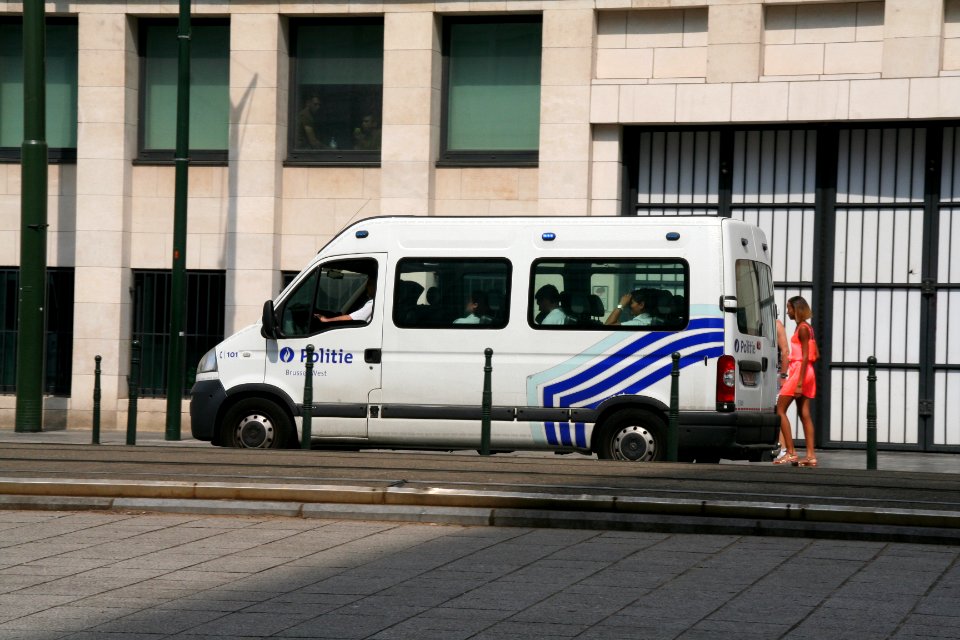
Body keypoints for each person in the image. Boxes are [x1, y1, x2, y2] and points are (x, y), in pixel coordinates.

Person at [773, 295, 818, 467]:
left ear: (796, 309)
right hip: (807, 372)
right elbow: (816, 354)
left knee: (780, 409)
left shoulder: (802, 329)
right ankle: (810, 456)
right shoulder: (807, 328)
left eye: (789, 308)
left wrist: (798, 382)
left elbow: (806, 356)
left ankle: (791, 452)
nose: (787, 311)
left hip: (799, 372)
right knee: (804, 414)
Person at [772, 317, 790, 458]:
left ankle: (784, 449)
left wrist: (783, 376)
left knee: (779, 411)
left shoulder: (777, 325)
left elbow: (785, 351)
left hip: (777, 376)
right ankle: (781, 448)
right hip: (767, 374)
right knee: (775, 412)